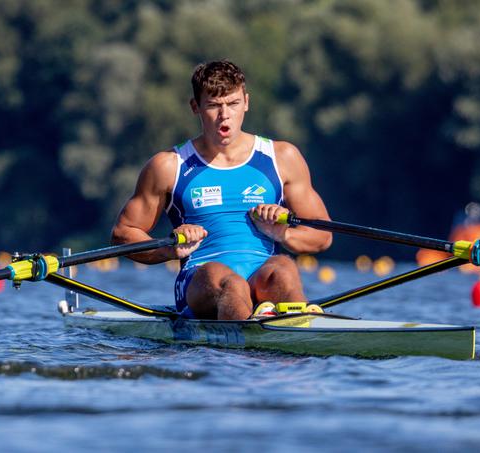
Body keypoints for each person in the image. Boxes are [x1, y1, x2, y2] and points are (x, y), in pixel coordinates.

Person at [111, 60, 332, 320]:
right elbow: (123, 233)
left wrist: (284, 235)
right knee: (230, 282)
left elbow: (323, 235)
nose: (224, 115)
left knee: (284, 268)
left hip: (263, 276)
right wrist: (170, 249)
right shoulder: (169, 165)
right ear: (196, 107)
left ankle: (300, 333)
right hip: (201, 279)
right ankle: (246, 339)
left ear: (246, 103)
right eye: (214, 105)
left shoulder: (282, 157)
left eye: (233, 103)